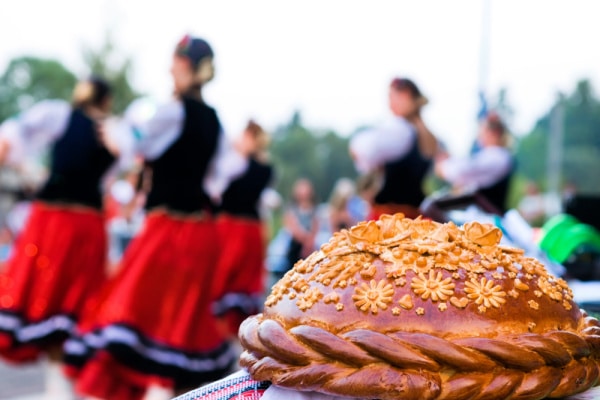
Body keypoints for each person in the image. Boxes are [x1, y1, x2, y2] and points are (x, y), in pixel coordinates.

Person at [63, 35, 239, 400]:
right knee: (181, 329)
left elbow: (134, 145)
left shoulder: (173, 111)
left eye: (174, 64)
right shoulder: (215, 121)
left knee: (136, 318)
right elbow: (223, 174)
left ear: (186, 67)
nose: (169, 70)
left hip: (169, 231)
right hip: (203, 233)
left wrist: (112, 131)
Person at [0, 77, 116, 396]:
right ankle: (60, 387)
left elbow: (13, 135)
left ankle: (61, 387)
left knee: (62, 312)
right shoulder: (76, 121)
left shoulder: (90, 125)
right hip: (73, 224)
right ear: (106, 100)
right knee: (65, 312)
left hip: (66, 225)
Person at [210, 119, 274, 339]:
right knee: (242, 278)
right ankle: (237, 328)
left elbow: (216, 192)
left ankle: (224, 326)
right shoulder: (264, 168)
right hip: (250, 228)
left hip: (232, 226)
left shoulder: (236, 164)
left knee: (227, 273)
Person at [349, 77, 439, 220]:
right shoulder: (427, 134)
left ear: (405, 96)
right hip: (415, 216)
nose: (389, 103)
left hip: (389, 218)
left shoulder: (400, 130)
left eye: (391, 97)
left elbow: (362, 149)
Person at [434, 112, 514, 214]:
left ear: (494, 133)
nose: (479, 136)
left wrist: (443, 166)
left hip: (488, 219)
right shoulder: (494, 155)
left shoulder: (498, 156)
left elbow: (463, 172)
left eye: (482, 131)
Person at [280, 178, 319, 279]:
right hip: (295, 246)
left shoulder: (314, 208)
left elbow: (316, 225)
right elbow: (292, 227)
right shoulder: (292, 207)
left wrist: (310, 241)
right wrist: (305, 239)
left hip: (310, 246)